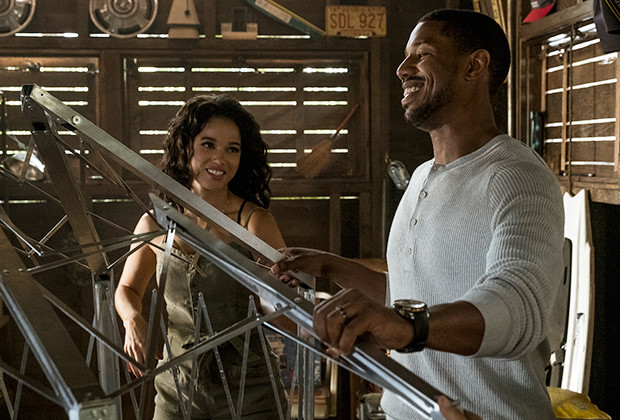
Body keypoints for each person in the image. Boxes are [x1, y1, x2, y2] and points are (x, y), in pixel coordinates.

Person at [272, 9, 564, 420]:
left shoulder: (517, 176)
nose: (402, 69)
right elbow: (413, 296)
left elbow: (518, 306)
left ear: (475, 66)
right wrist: (330, 266)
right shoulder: (423, 176)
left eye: (422, 54)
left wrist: (409, 325)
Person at [115, 94, 287, 419]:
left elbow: (283, 300)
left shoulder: (254, 222)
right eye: (208, 144)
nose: (220, 158)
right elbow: (127, 289)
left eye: (232, 149)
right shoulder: (154, 222)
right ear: (185, 147)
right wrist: (133, 320)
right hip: (176, 387)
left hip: (250, 391)